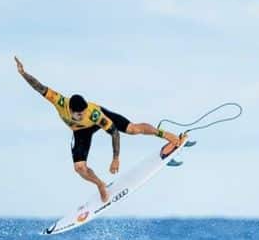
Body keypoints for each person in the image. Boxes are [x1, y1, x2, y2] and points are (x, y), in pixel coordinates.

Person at [14, 56, 183, 202]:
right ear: (70, 110)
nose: (82, 115)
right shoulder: (59, 101)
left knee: (132, 129)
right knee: (79, 168)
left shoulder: (93, 114)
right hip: (80, 132)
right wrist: (23, 73)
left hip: (99, 120)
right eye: (79, 114)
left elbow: (114, 132)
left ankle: (164, 134)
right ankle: (100, 184)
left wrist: (115, 158)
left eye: (83, 112)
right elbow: (39, 87)